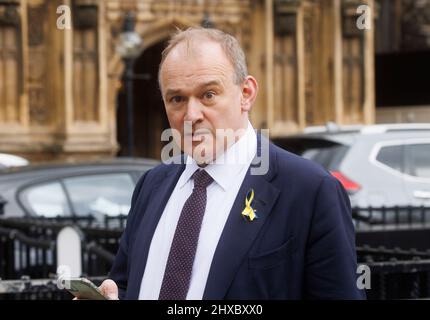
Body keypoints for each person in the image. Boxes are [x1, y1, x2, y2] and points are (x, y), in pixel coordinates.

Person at [100, 27, 365, 300]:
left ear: (246, 93)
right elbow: (127, 284)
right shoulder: (152, 184)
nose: (191, 115)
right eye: (177, 99)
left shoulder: (309, 190)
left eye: (208, 95)